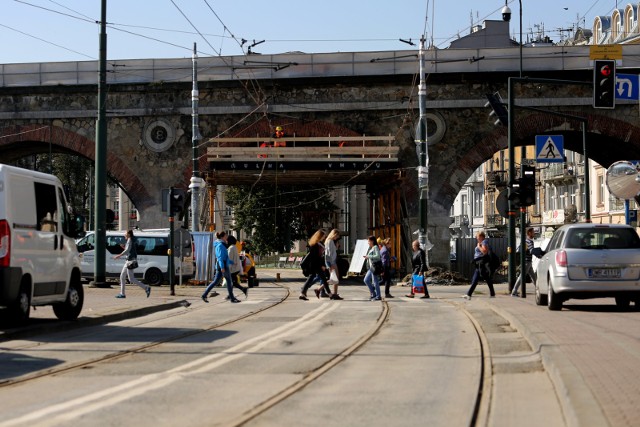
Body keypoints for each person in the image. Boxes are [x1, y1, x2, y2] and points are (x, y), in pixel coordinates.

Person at [202, 231, 240, 303]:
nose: (227, 237)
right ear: (222, 237)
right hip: (223, 267)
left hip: (223, 266)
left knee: (216, 282)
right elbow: (220, 258)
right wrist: (222, 267)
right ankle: (232, 298)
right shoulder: (220, 245)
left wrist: (232, 262)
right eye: (226, 236)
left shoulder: (222, 245)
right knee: (228, 282)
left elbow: (225, 258)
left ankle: (204, 295)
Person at [113, 229, 151, 299]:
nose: (124, 234)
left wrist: (119, 255)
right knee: (122, 276)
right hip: (128, 261)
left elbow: (127, 251)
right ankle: (122, 294)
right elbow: (129, 250)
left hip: (130, 261)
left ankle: (146, 288)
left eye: (126, 233)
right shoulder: (130, 240)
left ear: (129, 234)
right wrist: (124, 248)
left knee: (131, 279)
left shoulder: (129, 240)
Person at [300, 229, 332, 300]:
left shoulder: (317, 244)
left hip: (315, 265)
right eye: (323, 235)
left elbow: (318, 256)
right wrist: (321, 265)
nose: (324, 237)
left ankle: (302, 293)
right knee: (323, 279)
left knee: (313, 279)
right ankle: (330, 294)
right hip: (316, 265)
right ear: (319, 236)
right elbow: (316, 257)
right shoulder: (315, 245)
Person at [464, 231, 496, 299]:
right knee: (487, 279)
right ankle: (492, 294)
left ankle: (468, 294)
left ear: (481, 236)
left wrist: (479, 247)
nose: (476, 238)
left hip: (481, 263)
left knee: (475, 279)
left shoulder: (484, 242)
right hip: (479, 263)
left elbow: (484, 251)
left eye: (477, 236)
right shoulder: (482, 242)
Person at [511, 227, 536, 297]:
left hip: (527, 261)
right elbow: (531, 251)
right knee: (521, 276)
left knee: (533, 276)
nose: (534, 233)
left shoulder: (524, 241)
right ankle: (514, 291)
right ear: (529, 233)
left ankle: (538, 290)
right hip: (527, 261)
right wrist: (539, 253)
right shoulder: (530, 241)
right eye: (533, 232)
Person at [324, 228, 343, 300]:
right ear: (334, 234)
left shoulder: (329, 241)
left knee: (333, 279)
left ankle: (321, 289)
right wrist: (329, 265)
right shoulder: (330, 241)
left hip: (331, 261)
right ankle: (334, 294)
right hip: (332, 262)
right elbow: (328, 254)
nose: (337, 237)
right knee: (335, 279)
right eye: (337, 235)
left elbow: (331, 252)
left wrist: (336, 247)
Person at [364, 235, 382, 301]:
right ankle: (373, 293)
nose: (368, 242)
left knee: (375, 281)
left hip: (374, 267)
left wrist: (368, 256)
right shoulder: (371, 248)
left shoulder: (375, 247)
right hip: (371, 268)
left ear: (372, 241)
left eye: (369, 241)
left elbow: (378, 256)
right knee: (366, 280)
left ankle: (378, 296)